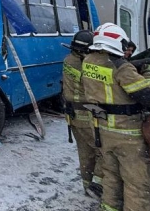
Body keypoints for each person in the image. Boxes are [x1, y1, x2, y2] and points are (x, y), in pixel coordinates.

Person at [81, 23, 150, 211]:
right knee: (138, 181)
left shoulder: (89, 60)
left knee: (111, 175)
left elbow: (110, 73)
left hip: (102, 129)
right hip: (127, 133)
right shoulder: (121, 67)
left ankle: (110, 207)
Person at [61, 30, 103, 199]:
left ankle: (87, 185)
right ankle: (97, 185)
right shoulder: (85, 65)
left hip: (72, 114)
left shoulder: (68, 60)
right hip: (86, 115)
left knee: (85, 153)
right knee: (103, 150)